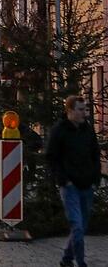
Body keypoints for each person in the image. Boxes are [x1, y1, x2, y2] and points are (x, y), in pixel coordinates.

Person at [46, 95, 102, 267]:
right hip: (70, 186)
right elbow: (51, 157)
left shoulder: (87, 130)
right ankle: (81, 262)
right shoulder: (59, 131)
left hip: (87, 185)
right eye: (80, 109)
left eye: (84, 109)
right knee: (77, 226)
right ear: (70, 111)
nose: (84, 113)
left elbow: (95, 154)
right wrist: (63, 179)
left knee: (82, 227)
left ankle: (66, 258)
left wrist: (95, 177)